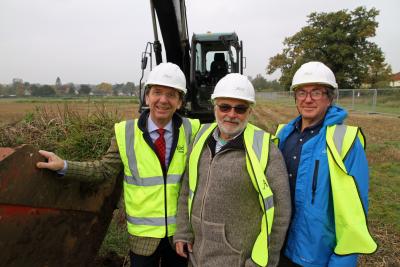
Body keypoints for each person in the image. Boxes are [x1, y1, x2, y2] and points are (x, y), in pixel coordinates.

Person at [36, 62, 200, 267]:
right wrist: (64, 166)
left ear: (180, 101)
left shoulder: (193, 130)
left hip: (180, 235)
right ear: (147, 96)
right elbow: (103, 169)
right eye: (157, 92)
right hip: (143, 238)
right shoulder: (125, 133)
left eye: (172, 94)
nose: (163, 100)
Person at [174, 73, 291, 267]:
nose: (231, 114)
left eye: (240, 108)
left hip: (236, 259)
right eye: (225, 107)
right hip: (196, 254)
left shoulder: (266, 149)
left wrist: (262, 261)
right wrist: (183, 231)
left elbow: (279, 210)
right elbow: (187, 187)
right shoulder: (201, 137)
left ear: (250, 112)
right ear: (215, 107)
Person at [274, 61, 377, 267]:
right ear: (295, 98)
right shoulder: (282, 134)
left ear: (330, 98)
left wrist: (343, 262)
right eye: (302, 93)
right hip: (279, 247)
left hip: (316, 255)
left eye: (317, 92)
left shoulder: (344, 140)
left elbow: (354, 212)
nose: (308, 99)